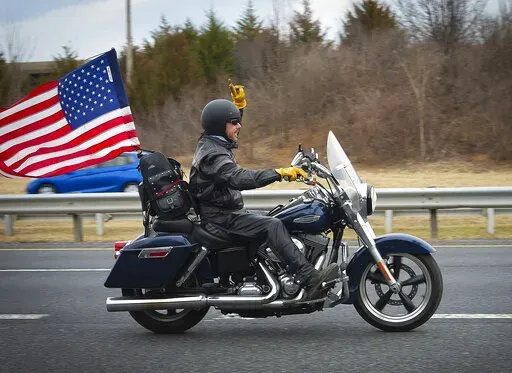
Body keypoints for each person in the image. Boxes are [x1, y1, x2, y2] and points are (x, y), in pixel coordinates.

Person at [189, 81, 339, 300]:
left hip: (225, 212)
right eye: (234, 123)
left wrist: (239, 108)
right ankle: (309, 278)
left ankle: (268, 272)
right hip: (220, 218)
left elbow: (228, 127)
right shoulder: (213, 154)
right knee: (273, 225)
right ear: (221, 125)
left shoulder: (216, 143)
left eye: (237, 121)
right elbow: (239, 178)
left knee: (277, 216)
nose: (238, 126)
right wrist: (279, 173)